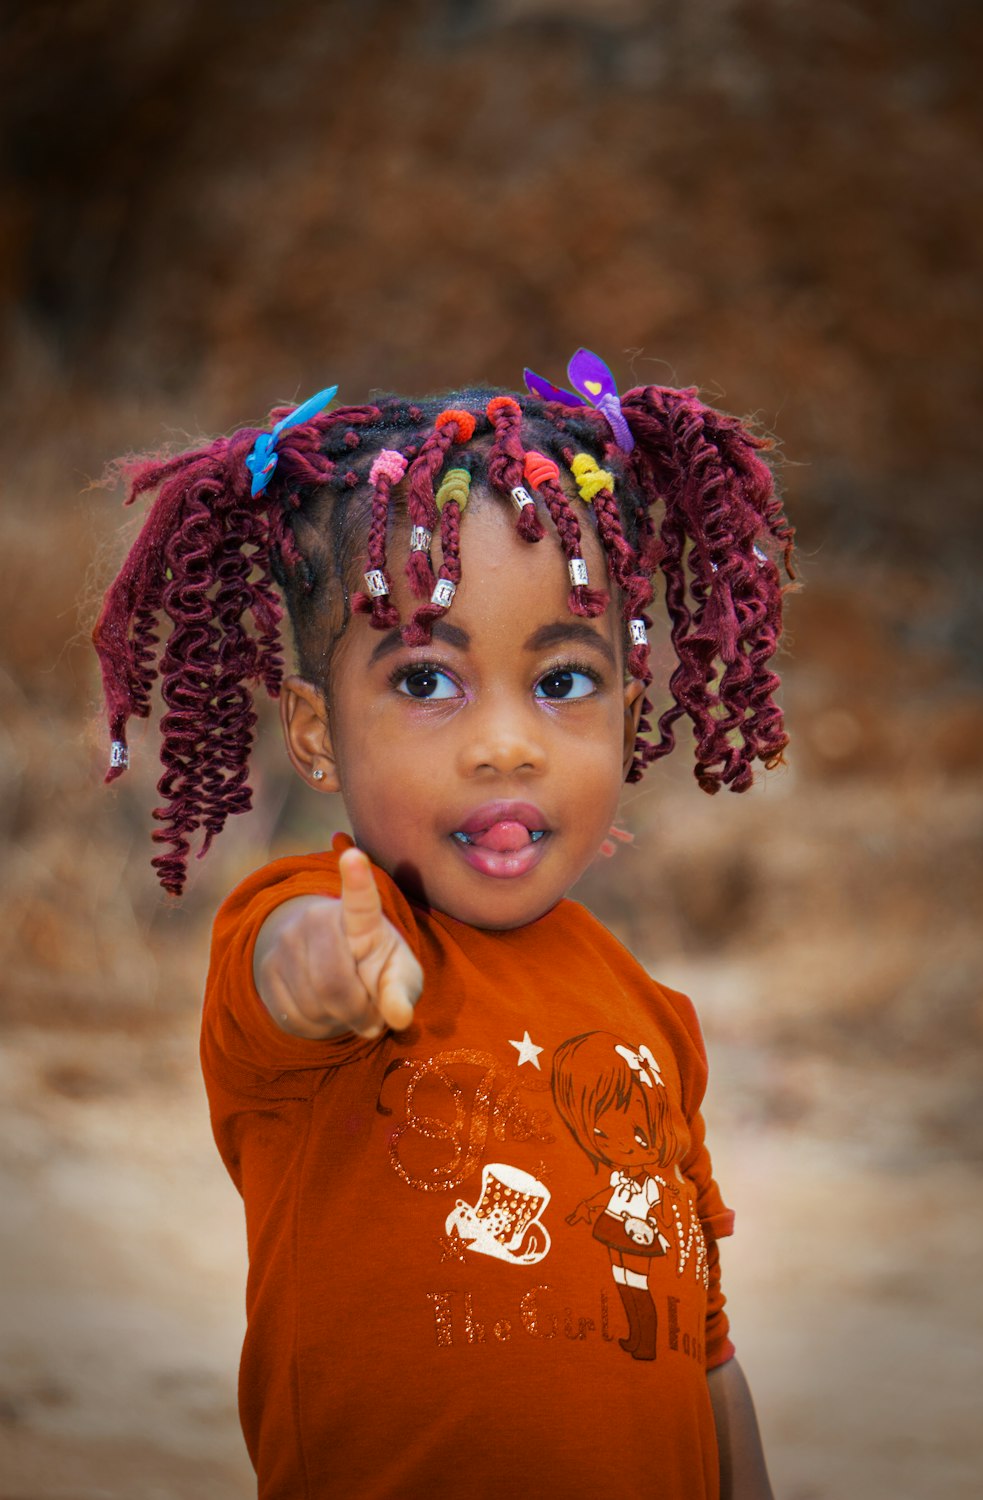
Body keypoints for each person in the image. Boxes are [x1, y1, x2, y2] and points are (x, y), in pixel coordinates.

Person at [93, 350, 793, 1499]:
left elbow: (705, 1352)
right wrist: (332, 970)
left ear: (630, 703)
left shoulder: (645, 1016)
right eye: (427, 682)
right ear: (316, 732)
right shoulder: (308, 925)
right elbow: (297, 970)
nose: (507, 745)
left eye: (564, 682)